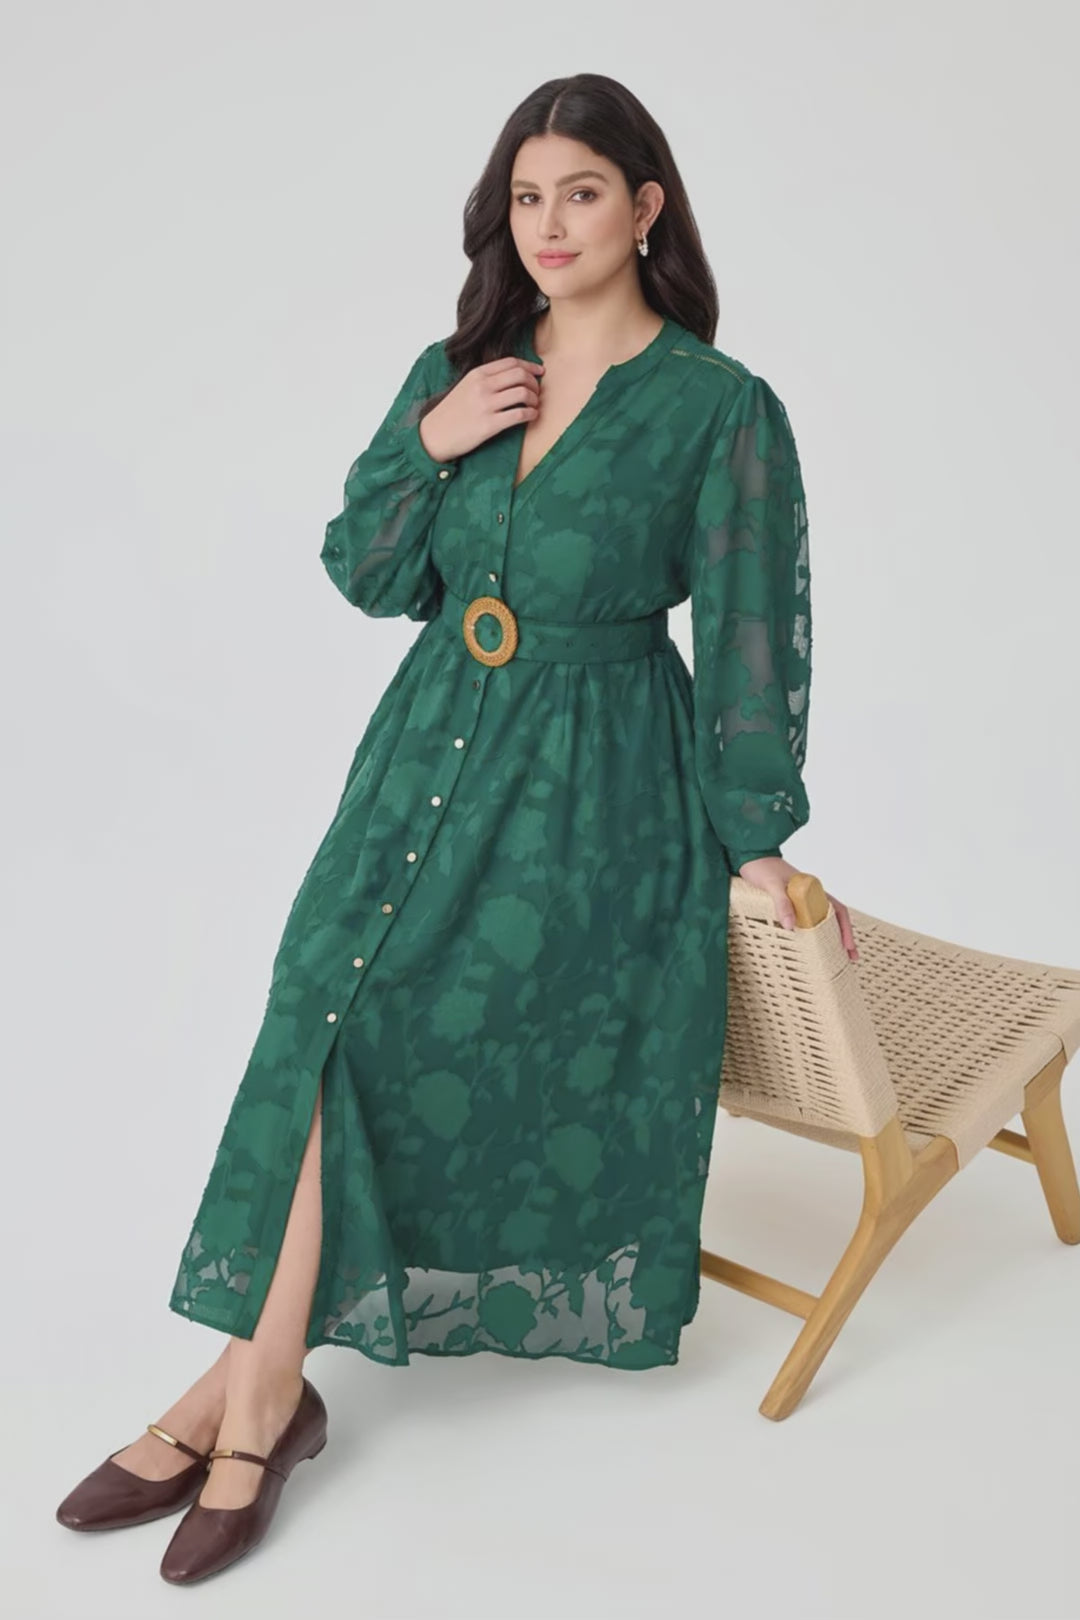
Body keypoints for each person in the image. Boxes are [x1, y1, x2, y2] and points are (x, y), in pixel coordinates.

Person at [56, 70, 857, 1583]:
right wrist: (430, 437)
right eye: (526, 196)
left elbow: (754, 631)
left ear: (646, 208)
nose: (548, 223)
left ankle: (241, 1402)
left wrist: (757, 836)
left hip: (596, 792)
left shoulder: (719, 408)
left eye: (582, 193)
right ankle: (256, 1393)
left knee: (364, 1030)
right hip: (426, 748)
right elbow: (368, 573)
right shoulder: (464, 368)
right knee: (317, 1005)